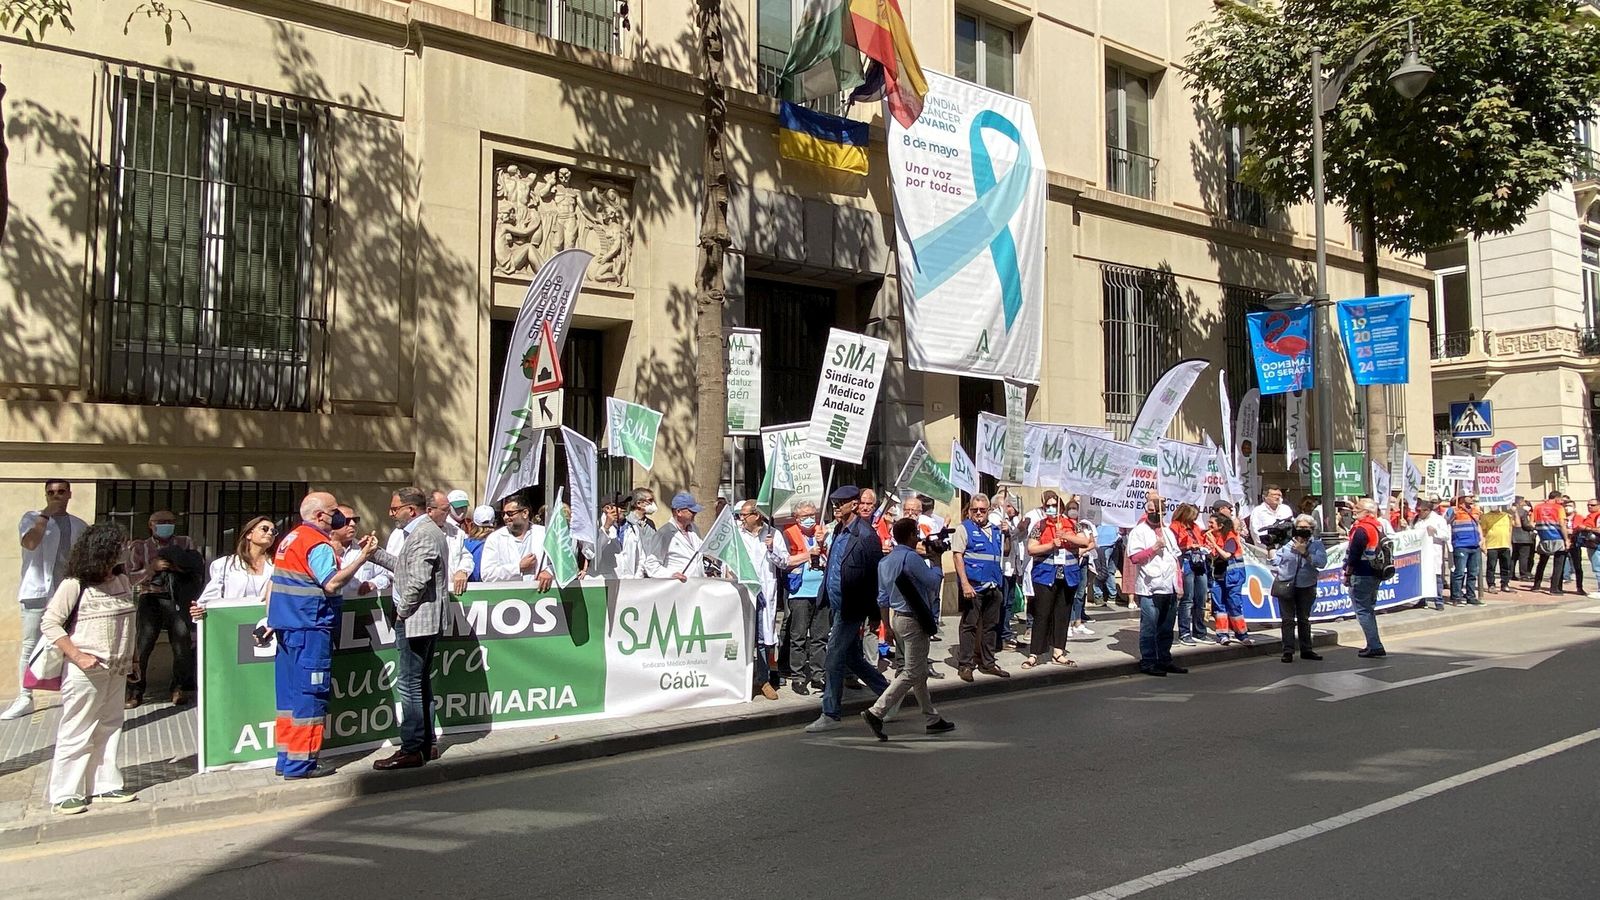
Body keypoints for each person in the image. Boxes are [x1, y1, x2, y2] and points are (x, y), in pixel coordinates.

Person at [269, 493, 377, 778]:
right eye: (333, 511)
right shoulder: (317, 544)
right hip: (310, 628)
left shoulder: (291, 539)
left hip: (289, 629)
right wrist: (363, 558)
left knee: (289, 700)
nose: (339, 516)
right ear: (319, 516)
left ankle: (286, 759)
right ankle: (302, 764)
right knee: (310, 697)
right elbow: (331, 583)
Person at [41, 524, 138, 815]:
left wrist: (133, 660)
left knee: (110, 726)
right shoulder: (74, 585)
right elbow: (50, 623)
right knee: (78, 729)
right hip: (85, 670)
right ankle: (65, 792)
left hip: (117, 669)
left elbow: (129, 623)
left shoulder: (122, 580)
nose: (125, 550)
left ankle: (105, 784)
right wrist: (78, 656)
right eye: (119, 545)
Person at [366, 487, 452, 769]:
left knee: (410, 684)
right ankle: (425, 744)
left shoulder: (425, 533)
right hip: (418, 618)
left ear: (411, 510)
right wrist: (374, 554)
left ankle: (412, 747)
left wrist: (402, 611)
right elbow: (404, 567)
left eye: (395, 509)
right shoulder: (422, 532)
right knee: (420, 682)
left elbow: (417, 579)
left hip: (417, 620)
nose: (391, 514)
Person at [805, 486, 890, 733]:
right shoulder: (839, 530)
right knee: (852, 657)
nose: (835, 508)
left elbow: (875, 578)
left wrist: (875, 615)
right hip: (835, 604)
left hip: (852, 608)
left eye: (840, 503)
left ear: (853, 505)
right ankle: (888, 695)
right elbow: (834, 566)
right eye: (834, 503)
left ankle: (830, 713)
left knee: (833, 657)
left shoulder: (866, 536)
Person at [861, 517, 955, 740]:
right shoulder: (910, 558)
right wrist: (937, 561)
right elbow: (932, 582)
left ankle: (932, 717)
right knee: (912, 671)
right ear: (912, 535)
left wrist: (887, 626)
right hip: (913, 619)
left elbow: (882, 598)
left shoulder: (885, 561)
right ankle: (877, 711)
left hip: (897, 619)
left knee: (919, 671)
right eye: (917, 534)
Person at [4, 479, 89, 720]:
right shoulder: (31, 518)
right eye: (51, 492)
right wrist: (45, 516)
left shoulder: (79, 524)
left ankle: (70, 694)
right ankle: (24, 696)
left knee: (71, 644)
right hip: (37, 592)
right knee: (30, 644)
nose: (56, 496)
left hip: (69, 594)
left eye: (61, 491)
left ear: (69, 494)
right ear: (45, 494)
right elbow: (30, 543)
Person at [124, 509, 205, 709]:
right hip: (150, 597)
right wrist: (152, 568)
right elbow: (130, 579)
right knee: (143, 645)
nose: (165, 525)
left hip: (177, 598)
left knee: (182, 643)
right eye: (160, 522)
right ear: (151, 525)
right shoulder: (140, 547)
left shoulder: (185, 543)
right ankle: (135, 691)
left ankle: (178, 688)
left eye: (170, 521)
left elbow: (196, 567)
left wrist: (177, 566)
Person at [1023, 490, 1086, 670]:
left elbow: (1085, 541)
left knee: (1062, 614)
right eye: (1047, 505)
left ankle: (1059, 651)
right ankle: (1034, 653)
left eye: (1054, 505)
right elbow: (1031, 548)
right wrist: (1051, 545)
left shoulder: (1072, 524)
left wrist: (1066, 536)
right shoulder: (1040, 525)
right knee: (1041, 614)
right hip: (1045, 575)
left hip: (1068, 576)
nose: (1051, 508)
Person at [951, 493, 1010, 682]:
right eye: (975, 510)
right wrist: (965, 583)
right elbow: (957, 556)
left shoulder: (995, 529)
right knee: (969, 625)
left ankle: (988, 662)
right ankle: (965, 664)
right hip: (974, 586)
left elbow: (1005, 551)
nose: (978, 513)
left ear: (988, 511)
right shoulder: (964, 529)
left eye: (982, 510)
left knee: (991, 626)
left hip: (994, 584)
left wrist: (1007, 533)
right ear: (969, 511)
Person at [1128, 492, 1184, 676]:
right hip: (1150, 587)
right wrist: (1153, 548)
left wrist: (1180, 584)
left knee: (1167, 628)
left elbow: (1175, 558)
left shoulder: (1167, 532)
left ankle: (1164, 659)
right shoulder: (1139, 532)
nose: (1155, 514)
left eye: (1159, 511)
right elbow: (1134, 557)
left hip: (1169, 586)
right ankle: (1149, 662)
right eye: (1152, 510)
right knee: (1149, 628)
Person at [736, 500, 785, 700]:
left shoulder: (773, 534)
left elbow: (784, 562)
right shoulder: (738, 534)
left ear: (756, 515)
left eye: (744, 515)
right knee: (744, 636)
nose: (741, 518)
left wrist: (772, 549)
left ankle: (763, 680)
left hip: (765, 592)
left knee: (765, 638)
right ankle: (743, 679)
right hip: (744, 591)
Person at [781, 501, 829, 695]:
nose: (810, 519)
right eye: (804, 516)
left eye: (812, 515)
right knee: (798, 636)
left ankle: (818, 675)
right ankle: (798, 676)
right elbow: (784, 561)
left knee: (820, 637)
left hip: (821, 591)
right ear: (797, 518)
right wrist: (808, 554)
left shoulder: (822, 532)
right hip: (800, 592)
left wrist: (824, 542)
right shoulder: (788, 534)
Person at [194, 517, 277, 615]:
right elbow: (209, 599)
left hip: (264, 622)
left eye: (274, 531)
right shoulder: (225, 564)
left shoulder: (277, 566)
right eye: (265, 529)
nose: (270, 533)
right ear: (249, 534)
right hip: (233, 622)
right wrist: (199, 610)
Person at [1272, 514, 1326, 664]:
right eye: (1300, 527)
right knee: (1287, 620)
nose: (1302, 530)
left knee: (1303, 619)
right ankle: (1287, 651)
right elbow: (1274, 561)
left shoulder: (1316, 545)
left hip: (1306, 585)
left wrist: (1305, 552)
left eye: (1306, 528)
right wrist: (1271, 546)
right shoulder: (1287, 544)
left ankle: (1306, 649)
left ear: (1312, 529)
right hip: (1286, 585)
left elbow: (1321, 563)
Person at [1344, 498, 1387, 658]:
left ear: (1367, 512)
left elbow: (1354, 555)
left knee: (1363, 611)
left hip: (1361, 574)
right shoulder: (1377, 526)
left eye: (1358, 508)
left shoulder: (1361, 529)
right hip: (1375, 572)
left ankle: (1374, 645)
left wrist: (1348, 574)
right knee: (1369, 610)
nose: (1354, 510)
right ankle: (1373, 643)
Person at [480, 495, 554, 588]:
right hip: (509, 597)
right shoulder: (495, 538)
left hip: (541, 596)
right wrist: (518, 568)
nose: (506, 517)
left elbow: (562, 563)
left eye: (510, 513)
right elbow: (487, 574)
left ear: (525, 513)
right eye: (504, 514)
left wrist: (549, 571)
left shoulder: (545, 534)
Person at [1170, 503, 1210, 646]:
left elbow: (1202, 540)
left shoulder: (1195, 527)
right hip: (1186, 562)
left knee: (1201, 598)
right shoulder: (1175, 527)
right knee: (1187, 599)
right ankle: (1185, 632)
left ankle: (1200, 631)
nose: (1194, 518)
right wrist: (1187, 546)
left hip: (1200, 562)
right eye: (1192, 515)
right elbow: (1173, 547)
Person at [333, 506, 390, 600]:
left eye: (355, 520)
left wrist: (374, 583)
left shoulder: (365, 548)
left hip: (360, 609)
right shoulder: (322, 551)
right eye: (346, 521)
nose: (352, 524)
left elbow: (387, 576)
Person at [645, 493, 704, 581]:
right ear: (678, 512)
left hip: (697, 586)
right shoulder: (664, 534)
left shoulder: (694, 529)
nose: (695, 513)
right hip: (676, 587)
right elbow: (651, 564)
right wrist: (671, 574)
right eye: (691, 511)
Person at [1529, 490, 1569, 594]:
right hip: (1557, 537)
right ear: (1557, 498)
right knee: (1558, 564)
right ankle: (1554, 588)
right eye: (1560, 499)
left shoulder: (1538, 507)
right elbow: (1562, 525)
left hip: (1544, 538)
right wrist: (1566, 539)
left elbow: (1531, 523)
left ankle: (1536, 586)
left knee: (1542, 563)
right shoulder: (1559, 508)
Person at [1449, 495, 1484, 606]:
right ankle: (1456, 597)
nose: (1472, 498)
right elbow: (1445, 523)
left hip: (1474, 545)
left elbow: (1477, 524)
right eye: (1469, 496)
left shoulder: (1475, 510)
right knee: (1459, 572)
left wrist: (1481, 538)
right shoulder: (1454, 510)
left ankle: (1471, 596)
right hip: (1461, 545)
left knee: (1473, 573)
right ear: (1462, 498)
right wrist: (1452, 516)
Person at [615, 488, 659, 578]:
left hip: (650, 571)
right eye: (650, 500)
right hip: (632, 573)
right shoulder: (626, 523)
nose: (653, 504)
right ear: (638, 503)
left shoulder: (650, 524)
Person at [1416, 498, 1450, 610]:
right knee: (1421, 577)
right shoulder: (1418, 520)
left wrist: (1435, 531)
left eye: (1421, 511)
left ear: (1427, 510)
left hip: (1434, 553)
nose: (1419, 513)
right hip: (1421, 554)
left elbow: (1446, 535)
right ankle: (1422, 600)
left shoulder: (1439, 520)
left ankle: (1438, 601)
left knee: (1436, 578)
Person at [1479, 501, 1514, 595]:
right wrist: (1483, 545)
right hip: (1491, 545)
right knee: (1491, 567)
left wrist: (1509, 543)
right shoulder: (1485, 516)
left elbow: (1510, 530)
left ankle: (1505, 584)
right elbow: (1482, 531)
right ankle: (1491, 585)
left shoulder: (1506, 516)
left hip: (1505, 544)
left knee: (1506, 566)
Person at [1569, 499, 1600, 599]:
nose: (1590, 506)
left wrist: (1586, 528)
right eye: (1588, 505)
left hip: (1596, 544)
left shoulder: (1598, 516)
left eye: (1593, 505)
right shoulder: (1589, 516)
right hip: (1591, 544)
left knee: (1598, 567)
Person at [463, 505, 497, 582]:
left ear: (472, 523)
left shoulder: (464, 544)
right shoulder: (499, 543)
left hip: (469, 590)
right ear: (494, 522)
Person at [1510, 496, 1535, 581]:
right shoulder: (1523, 511)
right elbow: (1525, 524)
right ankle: (1524, 574)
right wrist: (1533, 527)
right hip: (1524, 537)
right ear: (1520, 502)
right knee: (1524, 557)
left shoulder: (1510, 512)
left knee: (1514, 556)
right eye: (1523, 501)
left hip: (1514, 537)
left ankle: (1511, 573)